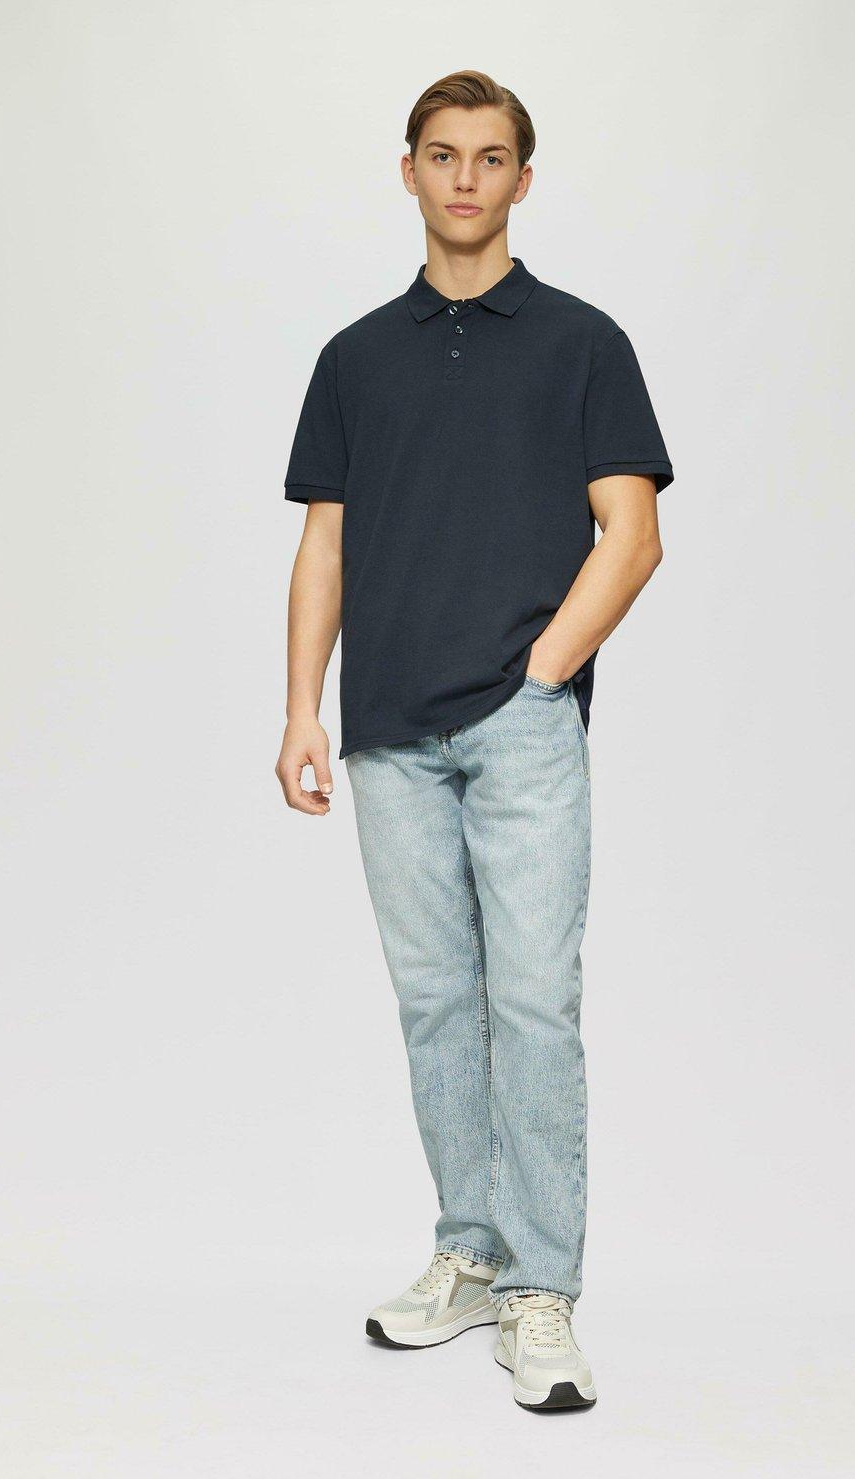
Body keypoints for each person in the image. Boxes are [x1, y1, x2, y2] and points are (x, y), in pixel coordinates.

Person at [276, 69, 673, 1413]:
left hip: (519, 728)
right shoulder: (354, 357)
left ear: (521, 180)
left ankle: (542, 1290)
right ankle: (470, 1251)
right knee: (438, 1005)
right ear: (409, 172)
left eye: (490, 157)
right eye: (442, 155)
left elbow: (634, 535)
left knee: (534, 1003)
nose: (464, 178)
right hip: (387, 732)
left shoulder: (582, 343)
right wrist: (301, 709)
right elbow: (324, 544)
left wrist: (541, 676)